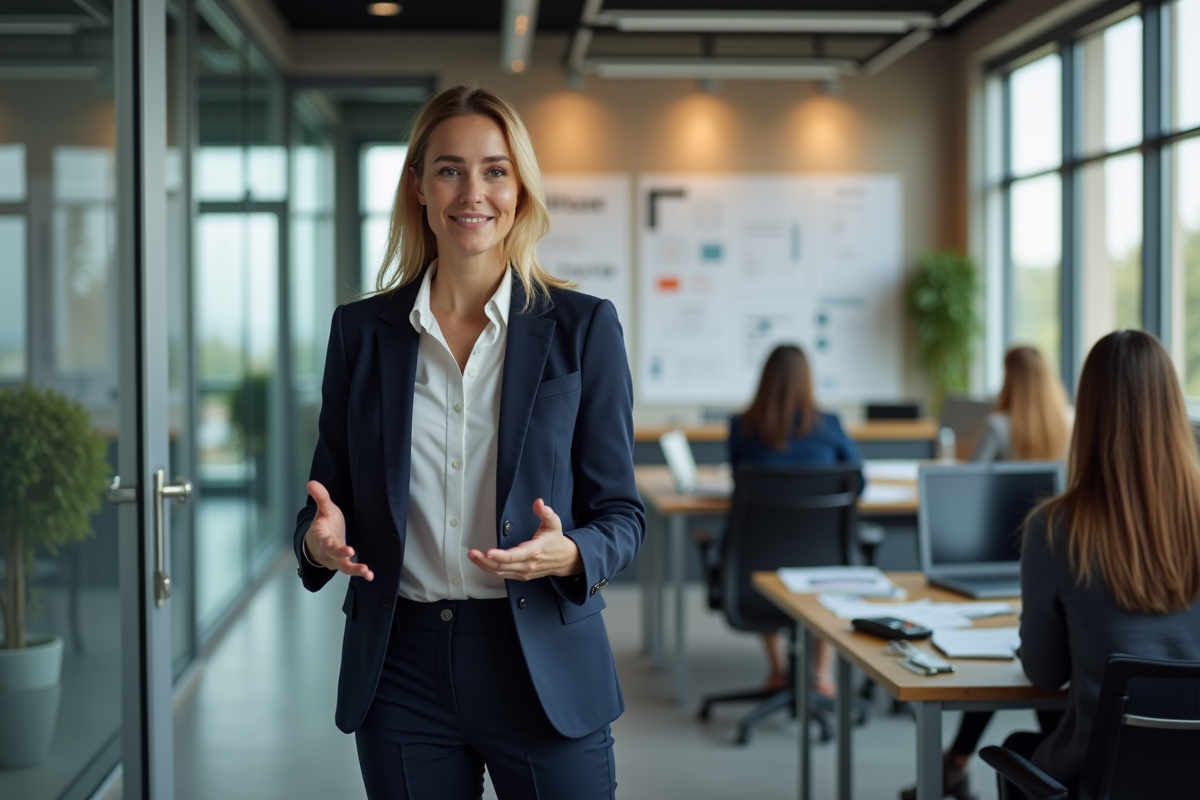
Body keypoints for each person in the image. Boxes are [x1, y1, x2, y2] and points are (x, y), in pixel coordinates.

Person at [294, 85, 644, 800]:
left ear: (520, 188)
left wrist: (572, 552)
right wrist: (317, 543)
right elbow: (324, 503)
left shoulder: (582, 329)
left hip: (541, 656)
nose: (473, 192)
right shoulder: (360, 336)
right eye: (450, 169)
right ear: (418, 187)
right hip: (401, 666)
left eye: (495, 170)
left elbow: (622, 516)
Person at [1002, 329, 1200, 790]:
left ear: (1088, 414)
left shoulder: (1055, 529)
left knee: (1017, 747)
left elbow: (1046, 675)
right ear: (1173, 409)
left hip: (1102, 775)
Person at [902, 345, 1073, 800]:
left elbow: (969, 484)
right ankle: (954, 764)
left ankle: (953, 764)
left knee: (1025, 668)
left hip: (1002, 548)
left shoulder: (999, 425)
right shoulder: (1068, 422)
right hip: (1060, 554)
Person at [728, 344, 862, 697]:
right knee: (824, 578)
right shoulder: (830, 425)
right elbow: (857, 481)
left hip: (757, 570)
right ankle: (822, 675)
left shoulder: (742, 427)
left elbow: (737, 480)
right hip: (825, 567)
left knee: (761, 560)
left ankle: (777, 670)